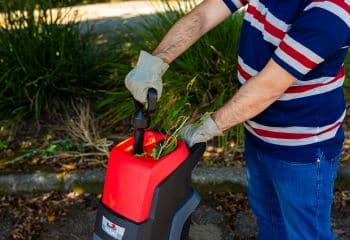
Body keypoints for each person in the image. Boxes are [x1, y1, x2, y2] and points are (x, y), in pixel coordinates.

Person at [124, 0, 350, 239]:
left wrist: (207, 126)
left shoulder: (331, 11)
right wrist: (155, 61)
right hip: (258, 131)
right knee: (270, 222)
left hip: (302, 148)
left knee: (307, 233)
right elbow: (207, 13)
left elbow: (268, 87)